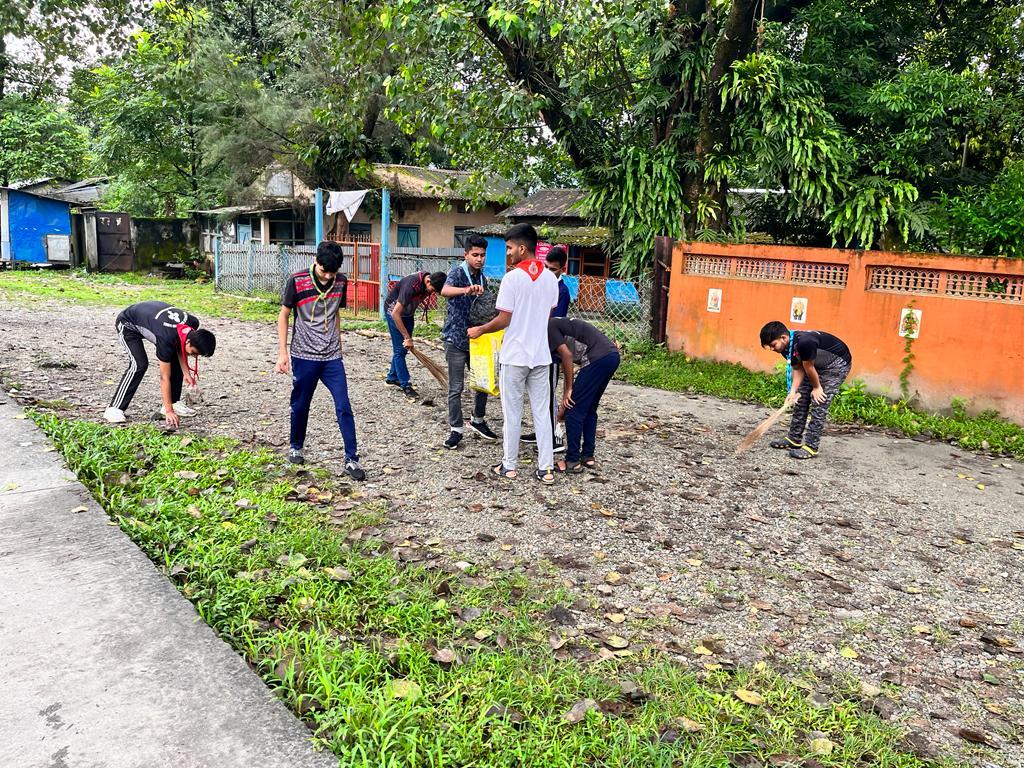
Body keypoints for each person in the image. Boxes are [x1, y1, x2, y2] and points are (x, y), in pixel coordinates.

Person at [468, 223, 559, 484]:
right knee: (542, 413)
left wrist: (481, 329)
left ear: (521, 248)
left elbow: (504, 319)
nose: (507, 253)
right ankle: (546, 468)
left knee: (512, 413)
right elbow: (547, 315)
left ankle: (509, 466)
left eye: (509, 248)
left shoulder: (512, 278)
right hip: (540, 355)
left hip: (515, 355)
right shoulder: (550, 279)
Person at [276, 241, 365, 481]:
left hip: (332, 357)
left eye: (332, 273)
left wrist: (339, 344)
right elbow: (284, 315)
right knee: (301, 403)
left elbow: (336, 313)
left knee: (343, 404)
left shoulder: (341, 282)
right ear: (315, 261)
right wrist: (282, 352)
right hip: (304, 355)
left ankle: (352, 459)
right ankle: (296, 447)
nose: (327, 277)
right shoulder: (297, 280)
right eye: (324, 271)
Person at [104, 301, 216, 429]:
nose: (194, 356)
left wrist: (186, 373)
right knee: (139, 364)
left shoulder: (192, 323)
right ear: (189, 341)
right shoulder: (166, 338)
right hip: (128, 323)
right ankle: (114, 408)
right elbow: (164, 377)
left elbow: (180, 344)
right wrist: (169, 412)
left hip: (152, 319)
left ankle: (173, 402)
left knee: (173, 355)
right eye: (194, 353)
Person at [759, 321, 852, 459]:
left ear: (783, 338)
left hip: (835, 365)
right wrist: (793, 391)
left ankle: (811, 447)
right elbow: (798, 368)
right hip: (814, 365)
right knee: (800, 399)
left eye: (773, 345)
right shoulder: (786, 347)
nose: (772, 349)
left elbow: (808, 367)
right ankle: (794, 439)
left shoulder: (804, 342)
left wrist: (817, 387)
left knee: (819, 402)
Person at [439, 235, 499, 449]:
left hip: (477, 340)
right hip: (455, 339)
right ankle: (456, 429)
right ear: (466, 255)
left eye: (482, 255)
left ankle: (478, 420)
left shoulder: (482, 278)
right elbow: (444, 291)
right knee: (456, 387)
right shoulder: (457, 273)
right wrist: (466, 290)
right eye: (475, 255)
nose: (479, 259)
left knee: (482, 382)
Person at [548, 318, 620, 473]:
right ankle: (588, 456)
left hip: (597, 358)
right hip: (611, 356)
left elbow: (567, 356)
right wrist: (566, 393)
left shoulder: (549, 326)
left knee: (573, 410)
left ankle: (572, 460)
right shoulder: (558, 324)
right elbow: (566, 364)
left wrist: (569, 390)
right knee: (588, 409)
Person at [522, 245, 571, 452]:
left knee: (549, 393)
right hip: (536, 347)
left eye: (553, 269)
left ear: (562, 269)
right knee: (539, 394)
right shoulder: (542, 284)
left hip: (551, 350)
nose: (549, 272)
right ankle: (542, 431)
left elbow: (553, 322)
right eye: (547, 268)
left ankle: (554, 438)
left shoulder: (562, 291)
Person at [384, 269, 447, 399]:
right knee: (400, 350)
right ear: (428, 281)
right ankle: (405, 384)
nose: (433, 293)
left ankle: (392, 377)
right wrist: (407, 337)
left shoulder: (430, 281)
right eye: (433, 290)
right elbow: (395, 314)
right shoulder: (411, 286)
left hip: (408, 314)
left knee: (403, 349)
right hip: (394, 313)